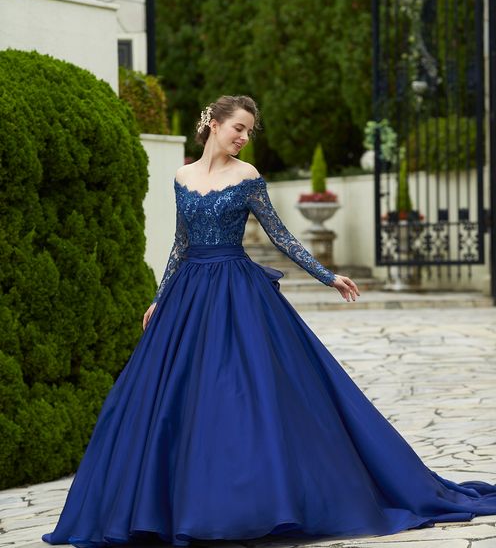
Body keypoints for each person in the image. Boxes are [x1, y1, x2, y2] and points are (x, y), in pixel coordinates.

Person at [43, 95, 496, 548]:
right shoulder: (182, 177)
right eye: (238, 127)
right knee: (172, 399)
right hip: (188, 292)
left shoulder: (248, 177)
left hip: (236, 292)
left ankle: (258, 502)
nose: (244, 137)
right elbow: (180, 243)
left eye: (249, 131)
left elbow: (280, 235)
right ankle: (175, 506)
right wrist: (160, 298)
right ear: (214, 123)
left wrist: (326, 276)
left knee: (243, 393)